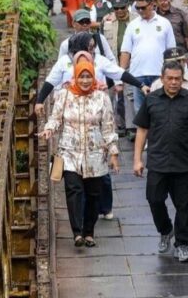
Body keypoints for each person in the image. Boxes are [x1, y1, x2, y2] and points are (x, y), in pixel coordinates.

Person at [39, 61, 119, 247]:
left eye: (88, 76)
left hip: (95, 153)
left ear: (93, 77)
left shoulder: (101, 98)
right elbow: (55, 118)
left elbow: (108, 127)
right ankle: (77, 232)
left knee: (93, 193)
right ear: (75, 77)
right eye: (81, 76)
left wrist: (113, 153)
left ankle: (89, 232)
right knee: (73, 190)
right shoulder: (64, 95)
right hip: (69, 152)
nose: (84, 80)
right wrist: (48, 129)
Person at [133, 61, 188, 262]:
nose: (173, 82)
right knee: (154, 199)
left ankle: (182, 244)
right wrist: (137, 159)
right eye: (169, 78)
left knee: (185, 206)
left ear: (182, 80)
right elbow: (142, 129)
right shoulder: (152, 100)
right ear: (162, 79)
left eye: (177, 79)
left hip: (185, 163)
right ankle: (165, 230)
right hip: (158, 161)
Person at [119, 0, 176, 114]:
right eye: (137, 8)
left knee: (161, 111)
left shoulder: (165, 23)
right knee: (140, 113)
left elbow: (171, 51)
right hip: (137, 76)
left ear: (152, 5)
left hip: (159, 74)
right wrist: (120, 75)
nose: (140, 11)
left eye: (143, 7)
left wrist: (171, 73)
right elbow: (125, 51)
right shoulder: (132, 25)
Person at [102, 0, 139, 135]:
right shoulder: (107, 20)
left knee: (129, 94)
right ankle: (118, 124)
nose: (119, 11)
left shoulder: (137, 19)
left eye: (122, 8)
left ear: (127, 6)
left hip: (132, 61)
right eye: (116, 8)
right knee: (114, 93)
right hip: (113, 62)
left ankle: (130, 126)